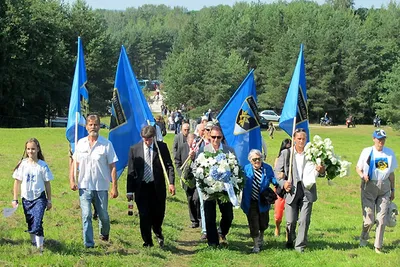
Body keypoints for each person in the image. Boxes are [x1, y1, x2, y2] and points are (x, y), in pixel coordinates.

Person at [69, 114, 118, 248]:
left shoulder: (106, 144)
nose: (93, 127)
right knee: (86, 215)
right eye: (90, 125)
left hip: (101, 186)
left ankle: (104, 232)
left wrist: (114, 186)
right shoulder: (80, 143)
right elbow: (74, 162)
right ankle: (89, 244)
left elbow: (113, 166)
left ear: (99, 126)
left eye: (95, 124)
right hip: (84, 186)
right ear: (86, 127)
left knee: (104, 216)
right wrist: (72, 179)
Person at [274, 128, 325, 253]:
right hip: (291, 191)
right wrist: (283, 183)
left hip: (308, 189)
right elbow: (276, 172)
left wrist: (321, 170)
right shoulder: (287, 153)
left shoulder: (313, 153)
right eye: (299, 139)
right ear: (294, 139)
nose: (302, 141)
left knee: (304, 220)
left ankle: (300, 246)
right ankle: (290, 239)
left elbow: (322, 172)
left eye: (304, 139)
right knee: (290, 221)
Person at [127, 125, 175, 247]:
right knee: (144, 215)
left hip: (157, 187)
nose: (147, 141)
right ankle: (147, 241)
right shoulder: (134, 149)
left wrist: (171, 183)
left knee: (158, 214)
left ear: (153, 137)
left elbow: (169, 166)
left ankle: (157, 230)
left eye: (149, 139)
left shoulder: (161, 148)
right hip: (141, 188)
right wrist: (129, 191)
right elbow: (131, 172)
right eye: (144, 139)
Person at [355, 129, 397, 254]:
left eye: (383, 139)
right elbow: (358, 168)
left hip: (384, 187)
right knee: (369, 220)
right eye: (379, 139)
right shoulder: (367, 151)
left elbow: (391, 174)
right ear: (373, 139)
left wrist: (393, 189)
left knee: (382, 219)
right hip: (369, 186)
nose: (381, 141)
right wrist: (363, 176)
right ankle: (363, 236)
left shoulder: (389, 153)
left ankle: (378, 246)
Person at [12, 138, 53, 253]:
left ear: (38, 149)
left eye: (33, 149)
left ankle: (40, 248)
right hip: (26, 198)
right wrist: (15, 199)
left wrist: (49, 200)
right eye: (28, 149)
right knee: (30, 221)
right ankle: (34, 242)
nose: (31, 151)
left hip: (39, 197)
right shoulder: (22, 164)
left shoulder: (42, 166)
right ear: (26, 150)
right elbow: (17, 182)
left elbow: (47, 184)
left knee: (38, 221)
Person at [198, 126, 235, 247]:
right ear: (209, 137)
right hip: (209, 189)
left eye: (218, 137)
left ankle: (222, 232)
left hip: (224, 189)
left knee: (228, 215)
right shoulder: (203, 150)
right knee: (210, 217)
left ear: (222, 137)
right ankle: (213, 243)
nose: (215, 140)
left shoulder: (229, 151)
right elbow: (196, 168)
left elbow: (235, 168)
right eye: (213, 137)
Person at [241, 149, 278, 253]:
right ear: (250, 161)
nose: (257, 161)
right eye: (254, 159)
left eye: (259, 159)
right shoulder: (246, 169)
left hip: (263, 200)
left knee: (263, 222)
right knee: (253, 223)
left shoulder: (267, 168)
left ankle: (261, 236)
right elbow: (241, 181)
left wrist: (278, 183)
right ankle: (256, 244)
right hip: (250, 201)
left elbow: (272, 178)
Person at [174, 133, 201, 228]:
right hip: (186, 179)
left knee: (196, 198)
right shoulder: (182, 148)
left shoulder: (198, 149)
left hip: (196, 178)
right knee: (190, 199)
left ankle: (200, 217)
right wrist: (180, 173)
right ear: (187, 141)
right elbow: (177, 161)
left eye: (194, 142)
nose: (192, 144)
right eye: (190, 142)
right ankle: (194, 220)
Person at [273, 138, 292, 236]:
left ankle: (288, 231)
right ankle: (277, 226)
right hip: (280, 190)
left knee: (291, 214)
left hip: (291, 188)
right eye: (287, 147)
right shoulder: (279, 158)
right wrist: (282, 175)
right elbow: (277, 174)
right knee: (278, 212)